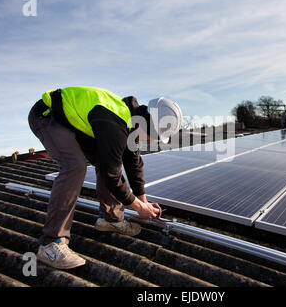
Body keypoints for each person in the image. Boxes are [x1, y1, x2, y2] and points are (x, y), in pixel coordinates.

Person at [28, 86, 182, 269]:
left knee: (105, 162)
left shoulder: (132, 121)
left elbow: (134, 164)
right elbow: (112, 176)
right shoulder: (115, 126)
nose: (151, 141)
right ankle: (51, 244)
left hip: (74, 123)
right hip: (47, 116)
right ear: (146, 124)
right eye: (154, 136)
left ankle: (111, 219)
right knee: (75, 166)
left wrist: (143, 201)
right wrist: (138, 207)